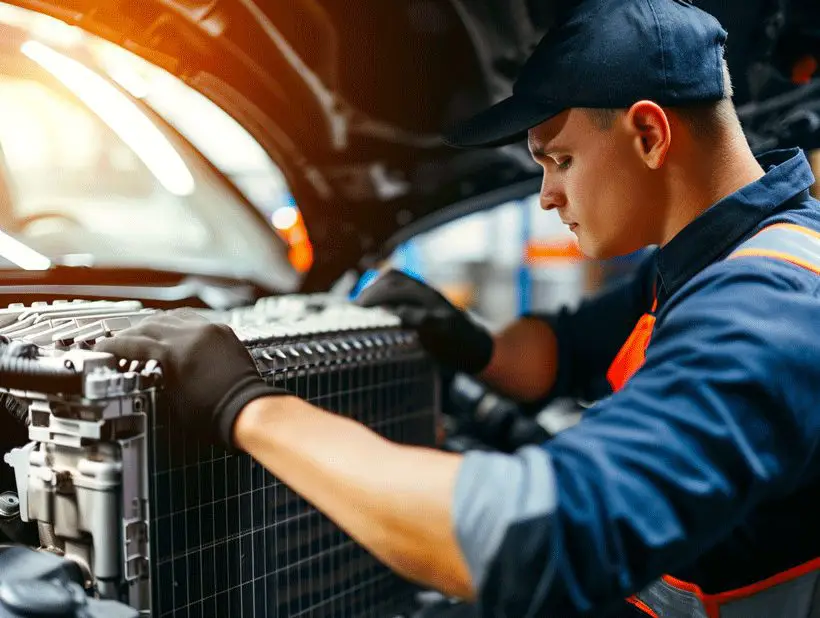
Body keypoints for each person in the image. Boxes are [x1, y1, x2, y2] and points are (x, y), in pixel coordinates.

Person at [95, 0, 820, 615]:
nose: (547, 195)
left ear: (649, 133)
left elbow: (534, 533)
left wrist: (246, 406)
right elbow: (559, 358)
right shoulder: (710, 256)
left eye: (558, 158)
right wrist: (462, 339)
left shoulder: (770, 305)